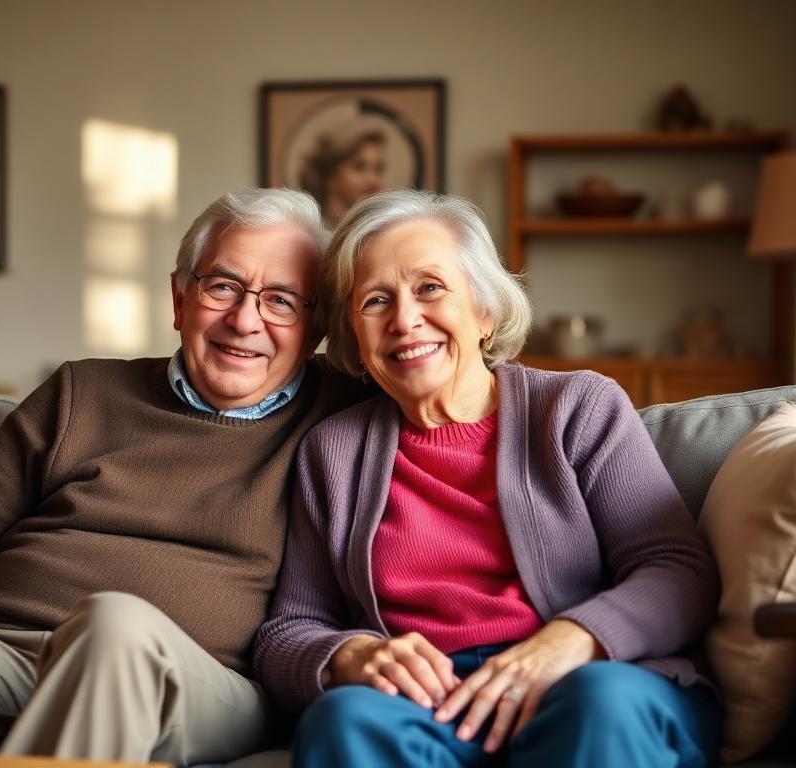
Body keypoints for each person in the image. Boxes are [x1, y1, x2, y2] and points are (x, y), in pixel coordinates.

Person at [0, 188, 363, 766]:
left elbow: (448, 377)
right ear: (180, 299)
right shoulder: (82, 391)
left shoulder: (343, 418)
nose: (245, 319)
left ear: (315, 332)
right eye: (223, 286)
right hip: (4, 649)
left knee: (116, 627)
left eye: (282, 300)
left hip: (200, 683)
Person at [253, 189, 721, 767]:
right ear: (354, 335)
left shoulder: (578, 409)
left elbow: (679, 571)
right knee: (344, 718)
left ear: (484, 310)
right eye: (376, 300)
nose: (404, 319)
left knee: (599, 703)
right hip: (431, 709)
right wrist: (349, 655)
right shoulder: (334, 452)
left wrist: (573, 639)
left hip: (586, 683)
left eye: (430, 287)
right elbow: (290, 629)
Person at [298, 122, 386, 228]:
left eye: (378, 169)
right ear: (330, 173)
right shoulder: (308, 235)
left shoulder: (381, 233)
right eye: (359, 167)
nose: (373, 180)